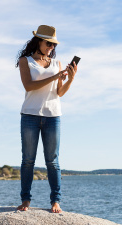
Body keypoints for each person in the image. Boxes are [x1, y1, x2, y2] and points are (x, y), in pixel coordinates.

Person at [15, 25, 77, 213]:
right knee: (28, 160)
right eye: (48, 43)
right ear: (38, 41)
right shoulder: (25, 61)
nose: (51, 47)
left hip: (53, 116)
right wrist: (55, 76)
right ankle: (26, 200)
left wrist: (70, 79)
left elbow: (59, 92)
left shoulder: (56, 64)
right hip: (30, 116)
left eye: (53, 44)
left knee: (53, 161)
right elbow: (29, 86)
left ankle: (55, 201)